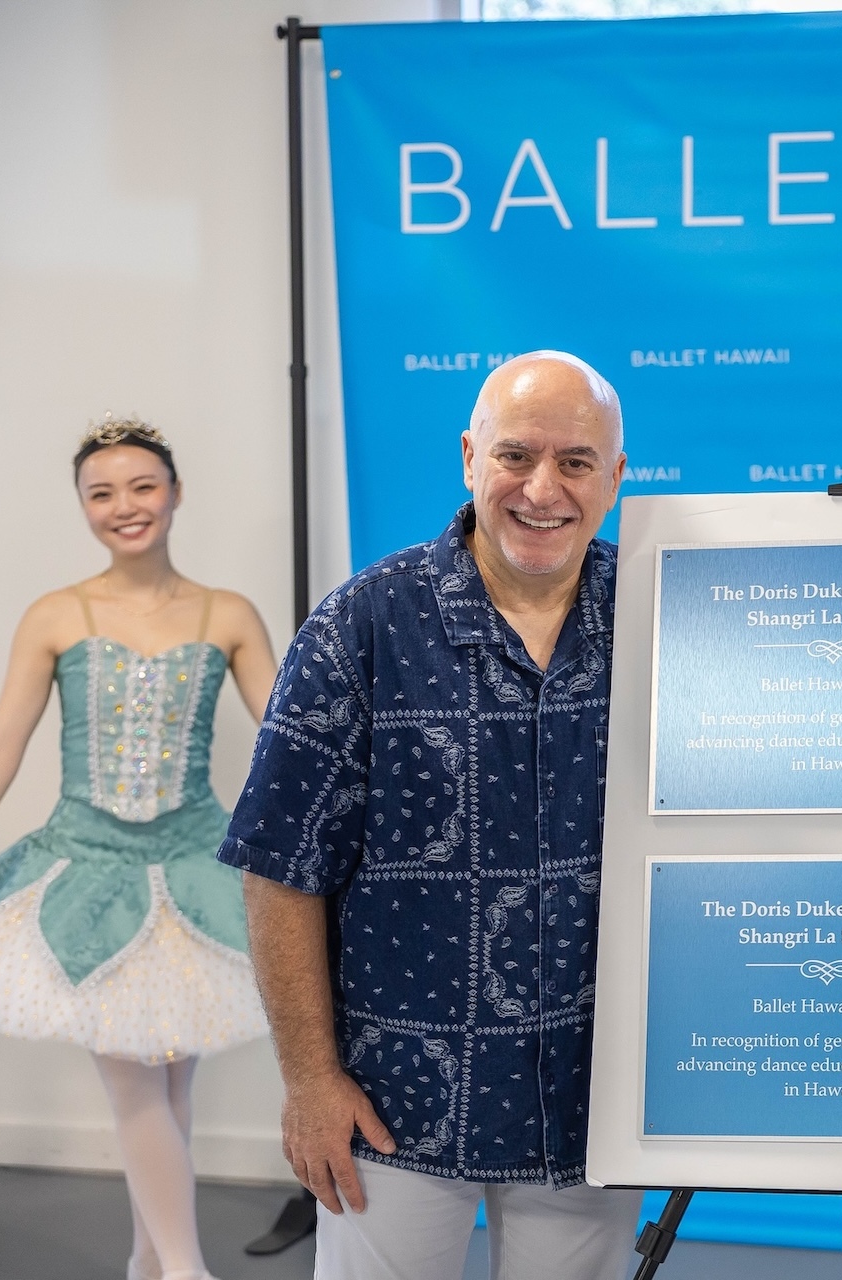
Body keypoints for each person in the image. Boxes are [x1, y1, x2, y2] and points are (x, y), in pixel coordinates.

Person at [218, 351, 641, 1280]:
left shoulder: (665, 617)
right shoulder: (359, 627)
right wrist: (309, 1080)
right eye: (516, 455)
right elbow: (279, 865)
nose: (542, 489)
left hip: (592, 1097)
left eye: (576, 462)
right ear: (467, 457)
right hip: (391, 1099)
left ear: (617, 475)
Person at [0, 416, 278, 1280]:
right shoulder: (56, 615)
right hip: (86, 875)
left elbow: (293, 744)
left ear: (175, 493)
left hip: (195, 869)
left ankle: (149, 1261)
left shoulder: (227, 614)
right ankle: (185, 1271)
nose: (125, 507)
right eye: (101, 493)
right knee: (139, 1082)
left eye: (142, 486)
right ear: (83, 508)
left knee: (173, 1079)